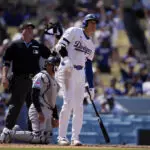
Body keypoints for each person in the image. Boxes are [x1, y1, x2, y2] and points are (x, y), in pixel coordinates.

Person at [0, 22, 52, 143]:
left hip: (35, 80)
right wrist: (4, 77)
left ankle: (33, 134)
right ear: (21, 30)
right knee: (16, 105)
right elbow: (6, 62)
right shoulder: (14, 45)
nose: (30, 30)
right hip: (19, 79)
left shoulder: (37, 45)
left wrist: (54, 38)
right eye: (27, 28)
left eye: (31, 29)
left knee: (33, 107)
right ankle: (6, 131)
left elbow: (50, 55)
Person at [55, 13, 98, 146]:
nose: (94, 25)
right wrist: (66, 59)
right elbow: (59, 46)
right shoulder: (74, 31)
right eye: (91, 22)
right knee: (68, 102)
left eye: (95, 23)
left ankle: (75, 137)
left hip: (80, 73)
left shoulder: (91, 45)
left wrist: (91, 86)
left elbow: (89, 66)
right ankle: (61, 137)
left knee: (79, 106)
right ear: (85, 23)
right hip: (67, 69)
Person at [0, 56, 60, 144]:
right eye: (54, 65)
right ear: (48, 65)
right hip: (38, 108)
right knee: (38, 137)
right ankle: (9, 133)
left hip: (48, 111)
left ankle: (16, 130)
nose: (56, 67)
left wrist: (55, 117)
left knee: (47, 139)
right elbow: (34, 94)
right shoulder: (41, 76)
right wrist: (39, 112)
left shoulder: (54, 80)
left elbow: (53, 100)